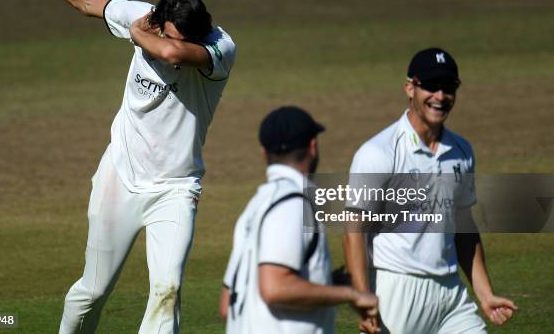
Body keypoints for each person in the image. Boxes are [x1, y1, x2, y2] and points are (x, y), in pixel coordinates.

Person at [11, 0, 236, 334]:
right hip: (121, 174)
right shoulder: (144, 16)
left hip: (176, 188)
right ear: (161, 23)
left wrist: (136, 32)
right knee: (93, 291)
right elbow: (88, 3)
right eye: (173, 33)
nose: (181, 49)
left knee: (168, 289)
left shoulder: (219, 46)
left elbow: (170, 52)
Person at [342, 48, 517, 334]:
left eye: (448, 88)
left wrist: (485, 295)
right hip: (396, 291)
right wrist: (363, 299)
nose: (440, 95)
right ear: (410, 88)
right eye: (431, 86)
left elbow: (464, 227)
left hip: (450, 293)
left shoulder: (461, 151)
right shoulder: (379, 152)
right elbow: (353, 234)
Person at [220, 106, 378, 333]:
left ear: (265, 154)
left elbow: (228, 305)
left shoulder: (254, 208)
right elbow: (274, 288)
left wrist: (329, 282)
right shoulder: (293, 205)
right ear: (313, 146)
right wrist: (350, 294)